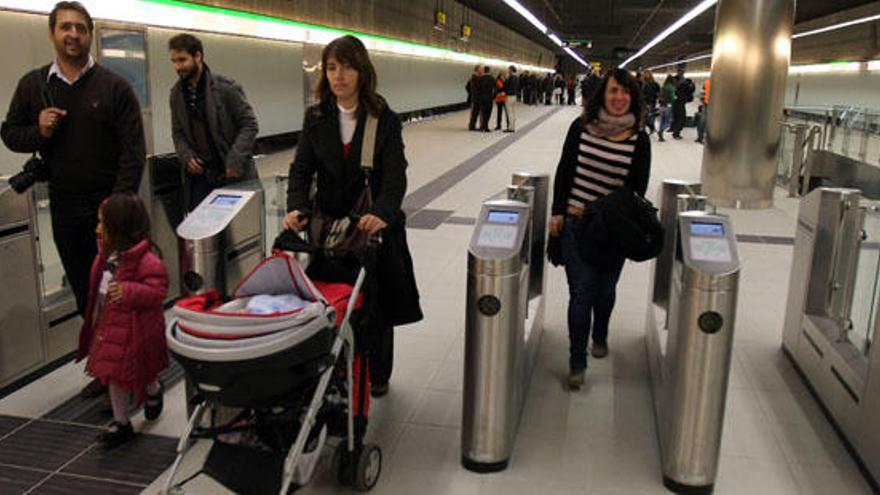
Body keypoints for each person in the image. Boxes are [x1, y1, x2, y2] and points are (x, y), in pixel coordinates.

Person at [0, 1, 146, 399]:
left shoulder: (114, 87)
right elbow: (10, 133)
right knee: (85, 292)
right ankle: (106, 368)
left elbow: (133, 151)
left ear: (90, 35)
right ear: (52, 33)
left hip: (110, 214)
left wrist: (117, 208)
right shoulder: (34, 86)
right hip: (65, 208)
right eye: (65, 27)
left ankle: (137, 367)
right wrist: (38, 131)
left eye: (81, 28)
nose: (73, 35)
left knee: (121, 293)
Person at [283, 35, 422, 399]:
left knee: (377, 303)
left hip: (370, 229)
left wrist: (383, 212)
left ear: (362, 71)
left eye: (347, 67)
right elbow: (300, 170)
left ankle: (378, 372)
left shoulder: (383, 119)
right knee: (331, 300)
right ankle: (335, 368)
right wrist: (296, 206)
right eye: (331, 67)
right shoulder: (315, 118)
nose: (338, 75)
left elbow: (396, 174)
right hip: (330, 230)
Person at [548, 68, 651, 390]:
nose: (619, 98)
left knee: (604, 291)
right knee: (581, 293)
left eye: (625, 92)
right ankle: (577, 362)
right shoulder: (580, 128)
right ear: (602, 95)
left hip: (613, 231)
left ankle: (601, 332)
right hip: (576, 223)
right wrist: (557, 212)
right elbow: (565, 171)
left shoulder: (639, 140)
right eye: (613, 91)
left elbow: (637, 191)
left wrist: (604, 212)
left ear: (633, 98)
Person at [78, 193, 169, 448]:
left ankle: (153, 391)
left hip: (138, 330)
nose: (97, 228)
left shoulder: (148, 261)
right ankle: (121, 421)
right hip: (110, 329)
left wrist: (129, 292)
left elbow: (158, 291)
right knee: (113, 375)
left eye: (102, 223)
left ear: (119, 228)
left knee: (144, 372)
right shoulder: (103, 258)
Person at [169, 33, 259, 210]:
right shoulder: (176, 94)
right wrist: (186, 156)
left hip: (233, 174)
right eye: (174, 61)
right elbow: (177, 131)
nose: (178, 67)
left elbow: (249, 124)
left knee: (238, 235)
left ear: (198, 56)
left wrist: (235, 158)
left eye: (182, 60)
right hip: (201, 178)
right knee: (202, 231)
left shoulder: (225, 88)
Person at [476, 66, 496, 132]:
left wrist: (478, 96)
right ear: (489, 71)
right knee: (488, 112)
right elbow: (496, 88)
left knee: (483, 112)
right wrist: (493, 96)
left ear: (484, 71)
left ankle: (482, 127)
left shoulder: (480, 78)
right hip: (489, 98)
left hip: (482, 98)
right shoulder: (492, 78)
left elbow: (478, 89)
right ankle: (486, 127)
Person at [657, 75, 677, 142]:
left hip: (661, 105)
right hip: (668, 105)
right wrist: (674, 99)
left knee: (662, 120)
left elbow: (659, 95)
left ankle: (661, 136)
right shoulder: (671, 87)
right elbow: (672, 97)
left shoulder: (663, 87)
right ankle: (661, 130)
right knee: (668, 121)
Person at [695, 79, 711, 143]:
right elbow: (702, 93)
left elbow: (702, 93)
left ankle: (701, 138)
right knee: (703, 122)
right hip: (707, 105)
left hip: (707, 105)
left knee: (703, 122)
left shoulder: (707, 82)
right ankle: (701, 138)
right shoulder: (707, 83)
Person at [467, 64, 481, 131]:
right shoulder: (474, 77)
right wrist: (472, 93)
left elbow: (467, 86)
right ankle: (472, 126)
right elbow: (468, 87)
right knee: (474, 112)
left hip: (475, 97)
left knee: (475, 112)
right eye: (480, 69)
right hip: (475, 98)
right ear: (477, 69)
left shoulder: (475, 76)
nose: (482, 70)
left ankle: (472, 125)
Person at [505, 65, 518, 132]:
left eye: (508, 69)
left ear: (511, 70)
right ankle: (513, 126)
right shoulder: (516, 77)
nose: (508, 71)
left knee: (509, 112)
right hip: (514, 96)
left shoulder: (510, 77)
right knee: (513, 112)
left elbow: (507, 86)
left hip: (509, 96)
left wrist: (506, 79)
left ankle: (510, 128)